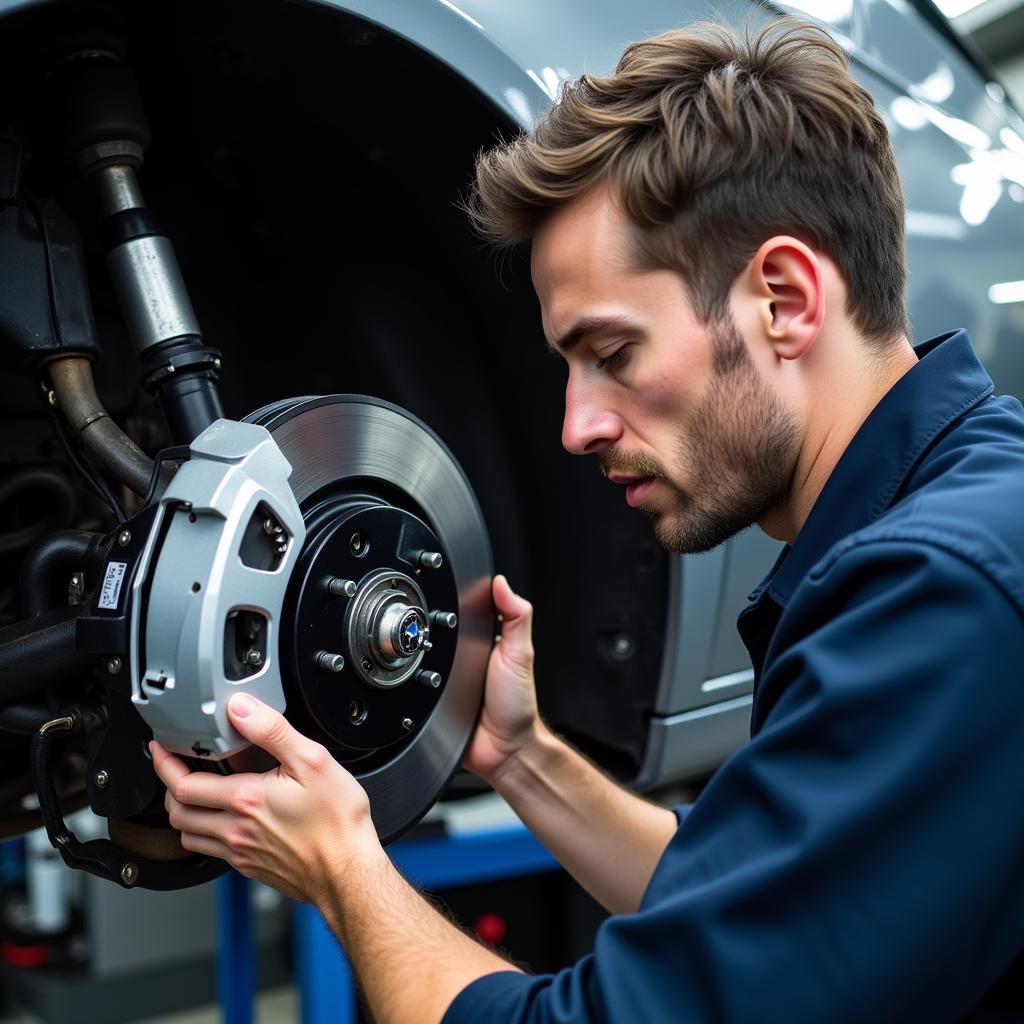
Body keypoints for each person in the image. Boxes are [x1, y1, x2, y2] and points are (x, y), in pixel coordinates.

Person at [151, 18, 1024, 1023]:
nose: (574, 425)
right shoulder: (973, 503)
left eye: (610, 352)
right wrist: (518, 754)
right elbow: (763, 911)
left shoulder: (941, 595)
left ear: (782, 299)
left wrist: (345, 868)